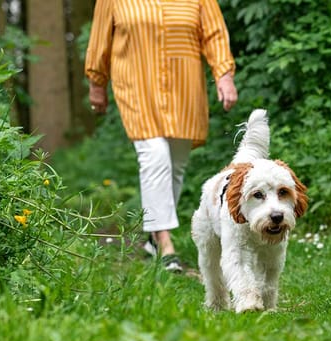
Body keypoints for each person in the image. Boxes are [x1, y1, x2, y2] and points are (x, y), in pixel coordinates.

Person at [85, 0, 238, 272]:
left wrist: (224, 75)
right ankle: (165, 242)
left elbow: (214, 33)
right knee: (155, 156)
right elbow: (100, 39)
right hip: (136, 86)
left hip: (185, 87)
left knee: (176, 164)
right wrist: (97, 82)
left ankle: (153, 237)